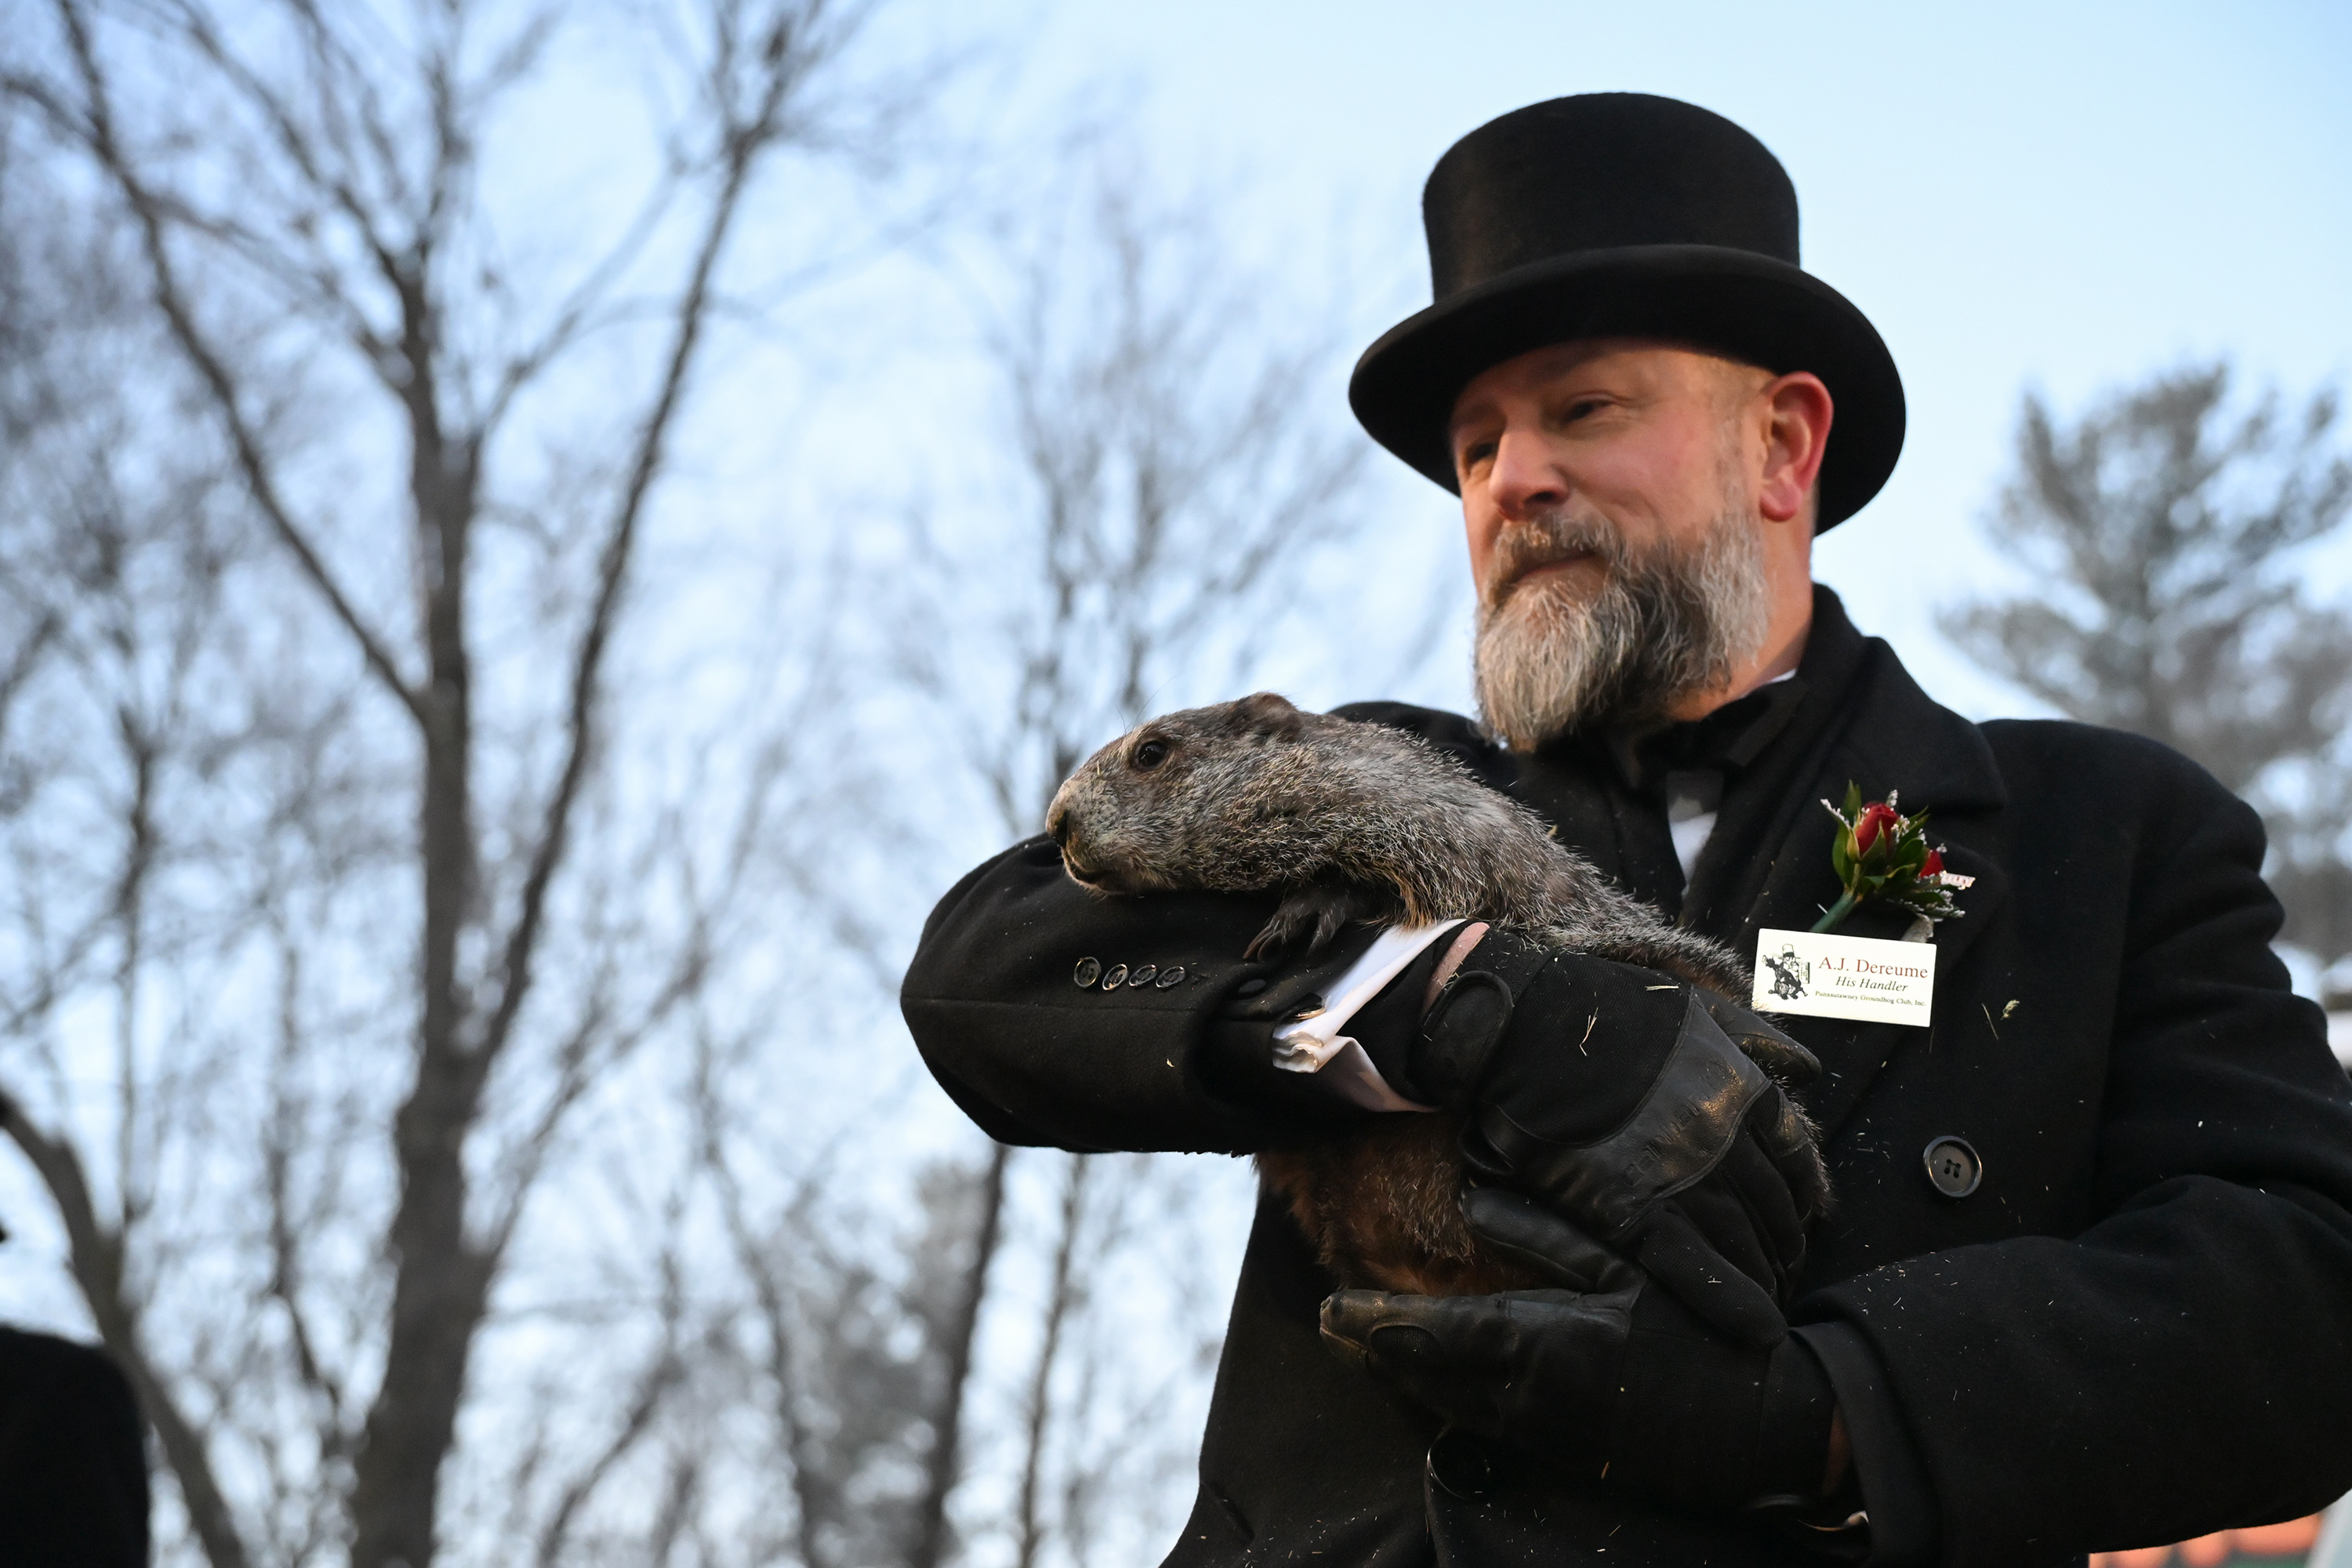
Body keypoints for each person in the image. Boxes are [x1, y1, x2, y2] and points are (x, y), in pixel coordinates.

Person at [899, 93, 2352, 1566]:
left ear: (1783, 446)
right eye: (1475, 450)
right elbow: (988, 975)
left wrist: (1831, 1410)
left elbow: (2306, 1285)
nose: (1512, 481)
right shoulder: (1381, 773)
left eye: (1583, 408)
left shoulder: (2096, 835)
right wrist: (1449, 1013)